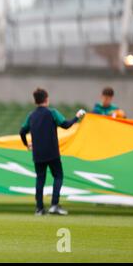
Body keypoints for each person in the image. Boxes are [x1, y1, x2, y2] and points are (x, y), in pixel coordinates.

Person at [19, 88, 86, 216]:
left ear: (35, 101)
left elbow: (22, 131)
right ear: (46, 99)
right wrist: (77, 117)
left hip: (38, 153)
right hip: (52, 152)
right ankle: (54, 205)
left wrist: (26, 144)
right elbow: (65, 125)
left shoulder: (31, 115)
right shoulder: (52, 113)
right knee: (58, 176)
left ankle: (39, 208)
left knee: (40, 179)